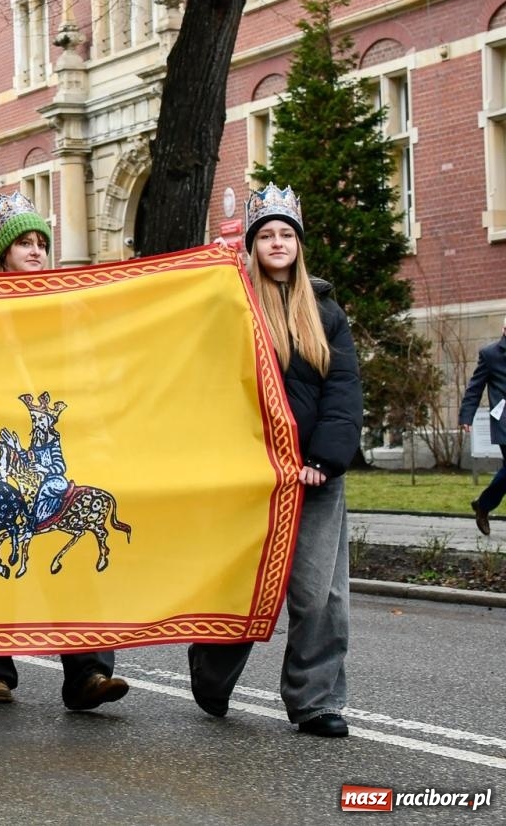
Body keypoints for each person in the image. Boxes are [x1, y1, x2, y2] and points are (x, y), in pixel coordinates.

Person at [189, 184, 362, 739]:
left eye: (287, 234)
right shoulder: (234, 305)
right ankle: (211, 677)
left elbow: (343, 391)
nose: (279, 242)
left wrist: (325, 459)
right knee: (241, 585)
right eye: (268, 235)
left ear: (299, 243)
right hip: (252, 475)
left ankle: (315, 701)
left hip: (314, 476)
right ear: (254, 245)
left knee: (320, 595)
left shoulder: (327, 312)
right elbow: (212, 384)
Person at [0, 190, 131, 712]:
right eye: (25, 244)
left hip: (58, 449)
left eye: (42, 242)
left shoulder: (68, 302)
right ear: (4, 254)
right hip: (1, 452)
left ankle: (88, 673)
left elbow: (91, 364)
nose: (36, 251)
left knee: (78, 553)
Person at [460, 315, 506, 536]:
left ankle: (483, 505)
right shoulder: (490, 355)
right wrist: (466, 417)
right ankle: (484, 505)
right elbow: (475, 387)